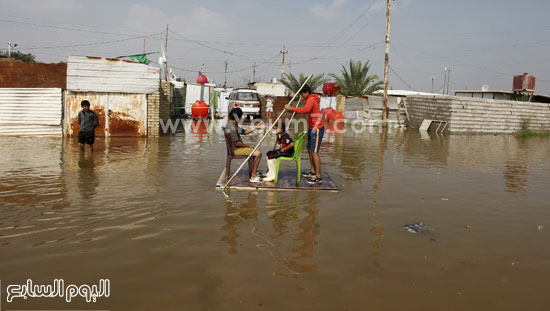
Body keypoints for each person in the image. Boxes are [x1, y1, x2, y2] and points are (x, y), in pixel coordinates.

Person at [284, 85, 324, 184]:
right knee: (310, 150)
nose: (301, 96)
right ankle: (312, 171)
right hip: (311, 128)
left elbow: (305, 110)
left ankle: (318, 176)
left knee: (314, 152)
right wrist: (302, 99)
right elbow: (307, 106)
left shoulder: (311, 99)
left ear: (307, 93)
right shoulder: (310, 99)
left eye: (302, 94)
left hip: (317, 128)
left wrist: (291, 108)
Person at [225, 108, 265, 183]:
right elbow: (237, 143)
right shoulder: (232, 127)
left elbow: (244, 132)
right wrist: (249, 146)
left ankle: (254, 172)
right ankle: (253, 176)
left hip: (237, 148)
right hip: (236, 150)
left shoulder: (232, 124)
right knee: (258, 153)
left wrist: (256, 127)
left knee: (257, 150)